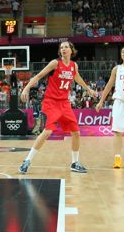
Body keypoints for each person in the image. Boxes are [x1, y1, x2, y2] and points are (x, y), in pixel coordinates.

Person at [18, 41, 98, 174]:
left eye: (66, 47)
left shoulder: (74, 66)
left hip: (64, 103)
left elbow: (77, 78)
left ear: (71, 50)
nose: (63, 49)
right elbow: (38, 76)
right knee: (48, 131)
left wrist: (89, 89)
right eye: (61, 48)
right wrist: (25, 88)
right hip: (51, 102)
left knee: (76, 133)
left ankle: (74, 163)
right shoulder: (55, 63)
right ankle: (27, 160)